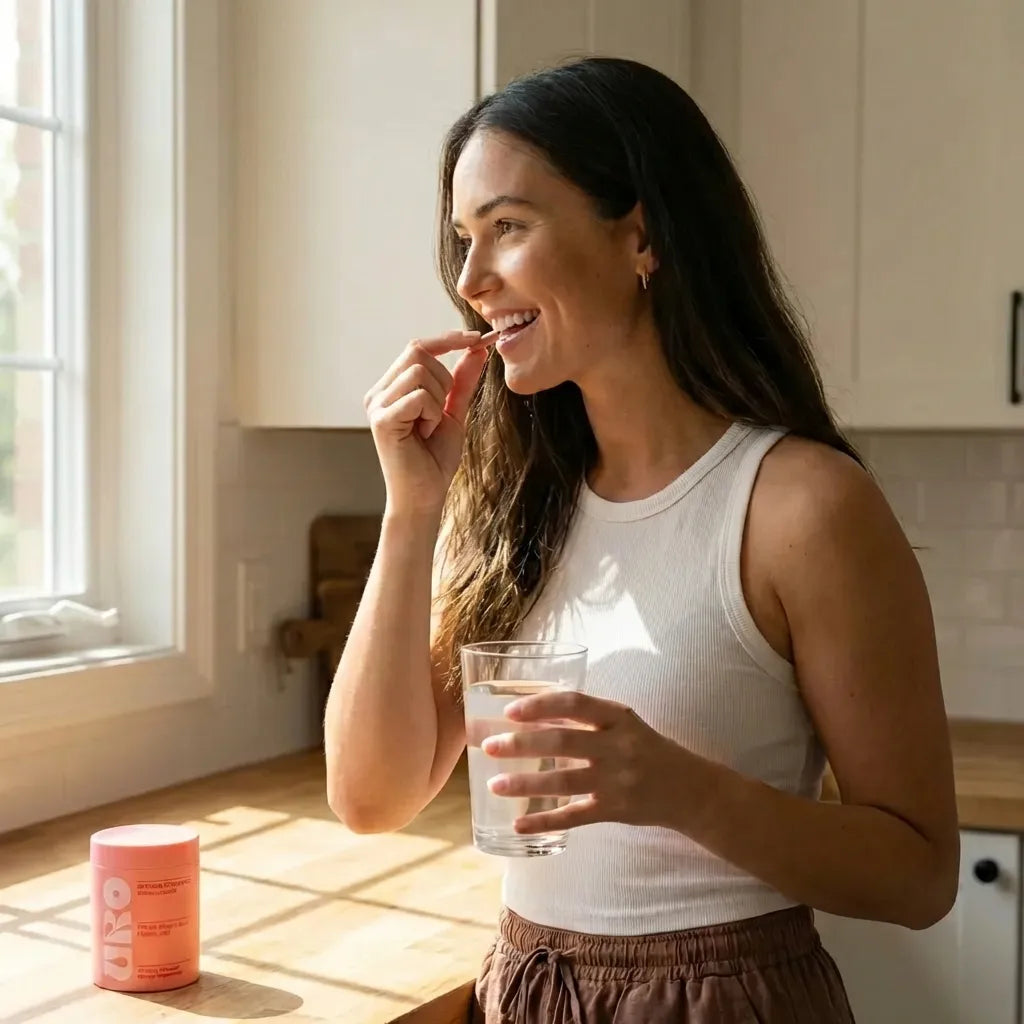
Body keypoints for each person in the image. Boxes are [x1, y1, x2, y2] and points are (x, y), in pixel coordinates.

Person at [325, 56, 959, 1023]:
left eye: (508, 227)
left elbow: (919, 876)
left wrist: (676, 790)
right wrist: (412, 509)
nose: (470, 279)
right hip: (528, 989)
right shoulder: (508, 506)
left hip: (724, 999)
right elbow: (371, 797)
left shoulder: (802, 508)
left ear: (642, 236)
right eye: (463, 237)